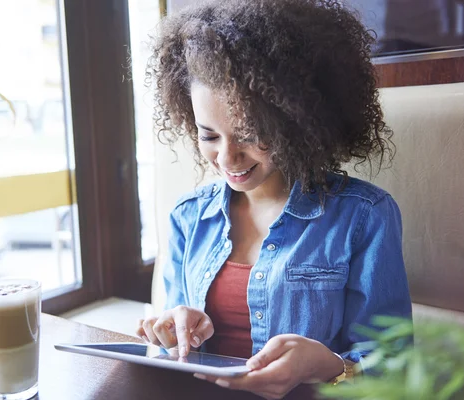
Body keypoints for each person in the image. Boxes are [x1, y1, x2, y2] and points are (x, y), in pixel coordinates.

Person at [136, 0, 412, 398]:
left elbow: (398, 367)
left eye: (250, 134)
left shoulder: (363, 217)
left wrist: (329, 365)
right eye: (209, 135)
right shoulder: (188, 216)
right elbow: (175, 344)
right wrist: (172, 328)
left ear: (296, 123)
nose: (228, 159)